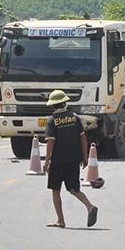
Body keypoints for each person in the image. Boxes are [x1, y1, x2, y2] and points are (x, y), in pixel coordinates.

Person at [42, 90, 98, 228]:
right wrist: (84, 157)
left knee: (55, 189)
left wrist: (47, 161)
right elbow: (83, 137)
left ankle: (60, 220)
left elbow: (50, 142)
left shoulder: (52, 120)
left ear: (53, 106)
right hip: (74, 158)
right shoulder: (75, 117)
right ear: (65, 103)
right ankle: (90, 206)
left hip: (58, 160)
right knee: (74, 189)